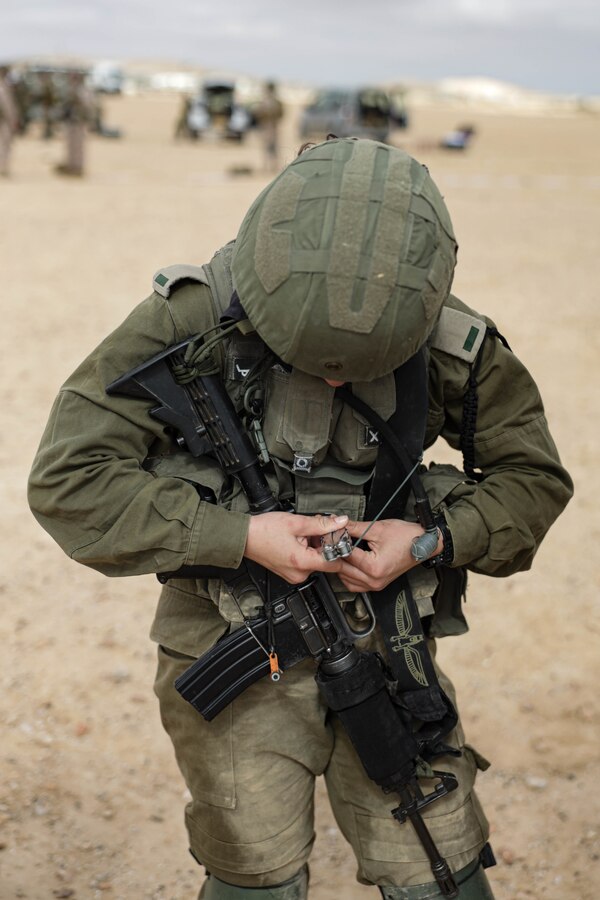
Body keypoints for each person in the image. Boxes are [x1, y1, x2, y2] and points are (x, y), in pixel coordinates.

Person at [28, 138, 573, 899]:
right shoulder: (193, 315)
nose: (334, 377)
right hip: (229, 634)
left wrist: (425, 541)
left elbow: (533, 482)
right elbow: (69, 480)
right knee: (257, 872)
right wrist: (240, 535)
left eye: (360, 365)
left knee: (435, 867)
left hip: (389, 646)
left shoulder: (448, 340)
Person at [55, 70, 94, 177]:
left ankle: (77, 167)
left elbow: (87, 106)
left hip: (79, 122)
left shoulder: (83, 90)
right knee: (70, 145)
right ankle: (71, 165)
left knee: (78, 146)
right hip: (71, 121)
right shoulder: (70, 89)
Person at [253, 80, 284, 172]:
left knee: (273, 148)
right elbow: (258, 115)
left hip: (273, 127)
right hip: (266, 126)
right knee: (266, 147)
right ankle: (266, 166)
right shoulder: (264, 102)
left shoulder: (276, 102)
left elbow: (281, 114)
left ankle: (274, 166)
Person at [0, 64, 18, 177]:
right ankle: (2, 167)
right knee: (3, 144)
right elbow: (8, 107)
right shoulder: (2, 87)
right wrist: (13, 119)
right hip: (3, 121)